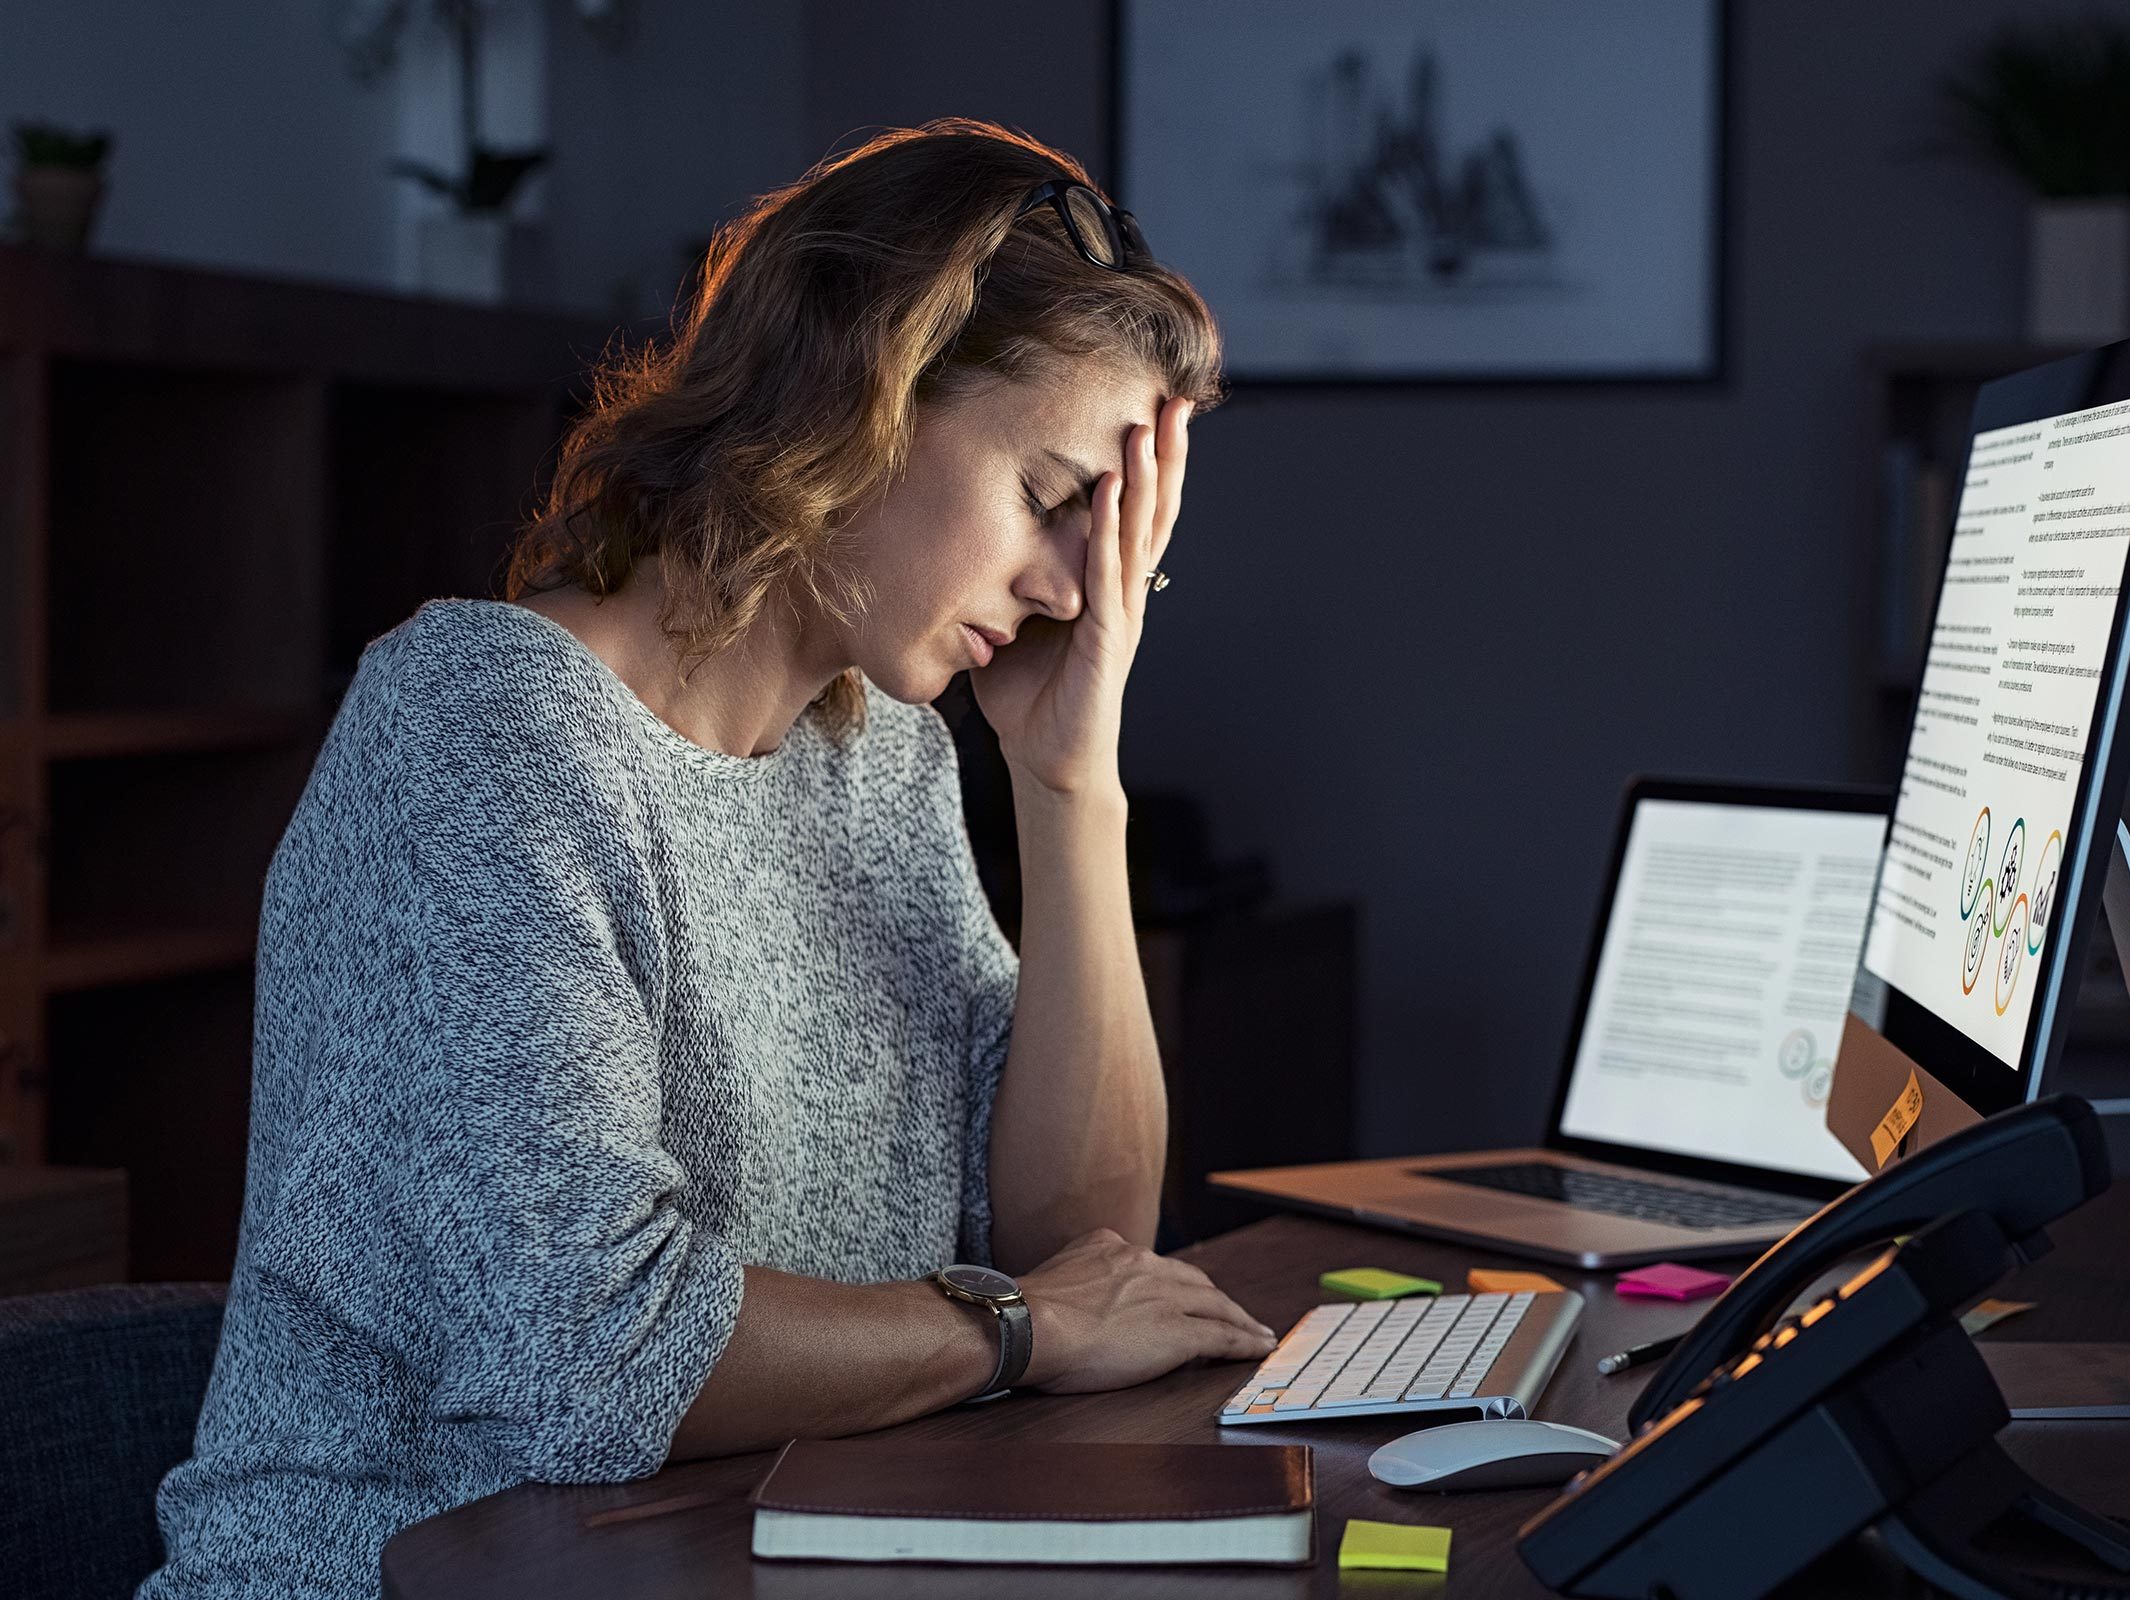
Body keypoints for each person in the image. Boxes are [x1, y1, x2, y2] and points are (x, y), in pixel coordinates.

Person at [141, 119, 1279, 1600]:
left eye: (1118, 547)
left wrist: (1071, 783)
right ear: (863, 390)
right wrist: (1021, 1329)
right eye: (1057, 501)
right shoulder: (483, 734)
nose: (1077, 587)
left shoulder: (877, 755)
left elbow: (1083, 1245)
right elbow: (601, 1358)